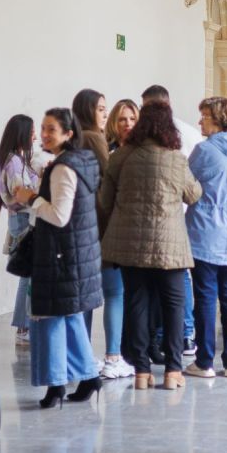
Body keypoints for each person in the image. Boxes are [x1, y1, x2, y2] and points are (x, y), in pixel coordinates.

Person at [99, 101, 203, 390]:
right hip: (169, 246)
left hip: (130, 244)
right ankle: (172, 371)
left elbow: (104, 201)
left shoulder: (120, 157)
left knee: (137, 302)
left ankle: (142, 372)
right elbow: (193, 195)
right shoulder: (175, 159)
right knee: (173, 305)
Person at [13, 108, 103, 406]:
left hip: (59, 254)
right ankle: (88, 377)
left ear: (69, 133)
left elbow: (60, 215)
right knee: (70, 316)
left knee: (50, 318)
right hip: (74, 253)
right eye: (43, 127)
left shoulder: (64, 168)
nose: (46, 134)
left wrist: (32, 198)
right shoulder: (81, 162)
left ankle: (56, 385)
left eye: (52, 129)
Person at [183, 97, 227, 378]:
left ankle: (204, 361)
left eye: (204, 116)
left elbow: (189, 186)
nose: (199, 122)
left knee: (205, 298)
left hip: (206, 231)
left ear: (219, 118)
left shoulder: (204, 150)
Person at [139, 85, 199, 354]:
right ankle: (183, 334)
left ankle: (168, 333)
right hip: (181, 214)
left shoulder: (143, 137)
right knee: (177, 277)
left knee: (162, 280)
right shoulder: (190, 134)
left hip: (159, 216)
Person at [99, 99, 140, 380]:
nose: (127, 124)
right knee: (114, 293)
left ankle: (127, 352)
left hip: (135, 235)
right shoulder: (107, 152)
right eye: (122, 119)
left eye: (132, 119)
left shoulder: (141, 152)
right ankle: (113, 355)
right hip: (111, 233)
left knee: (130, 296)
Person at [0, 114, 38, 346]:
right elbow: (19, 195)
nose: (35, 136)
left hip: (22, 222)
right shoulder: (13, 163)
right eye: (32, 131)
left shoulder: (17, 160)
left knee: (28, 276)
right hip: (22, 223)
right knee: (27, 276)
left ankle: (25, 325)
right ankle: (24, 326)